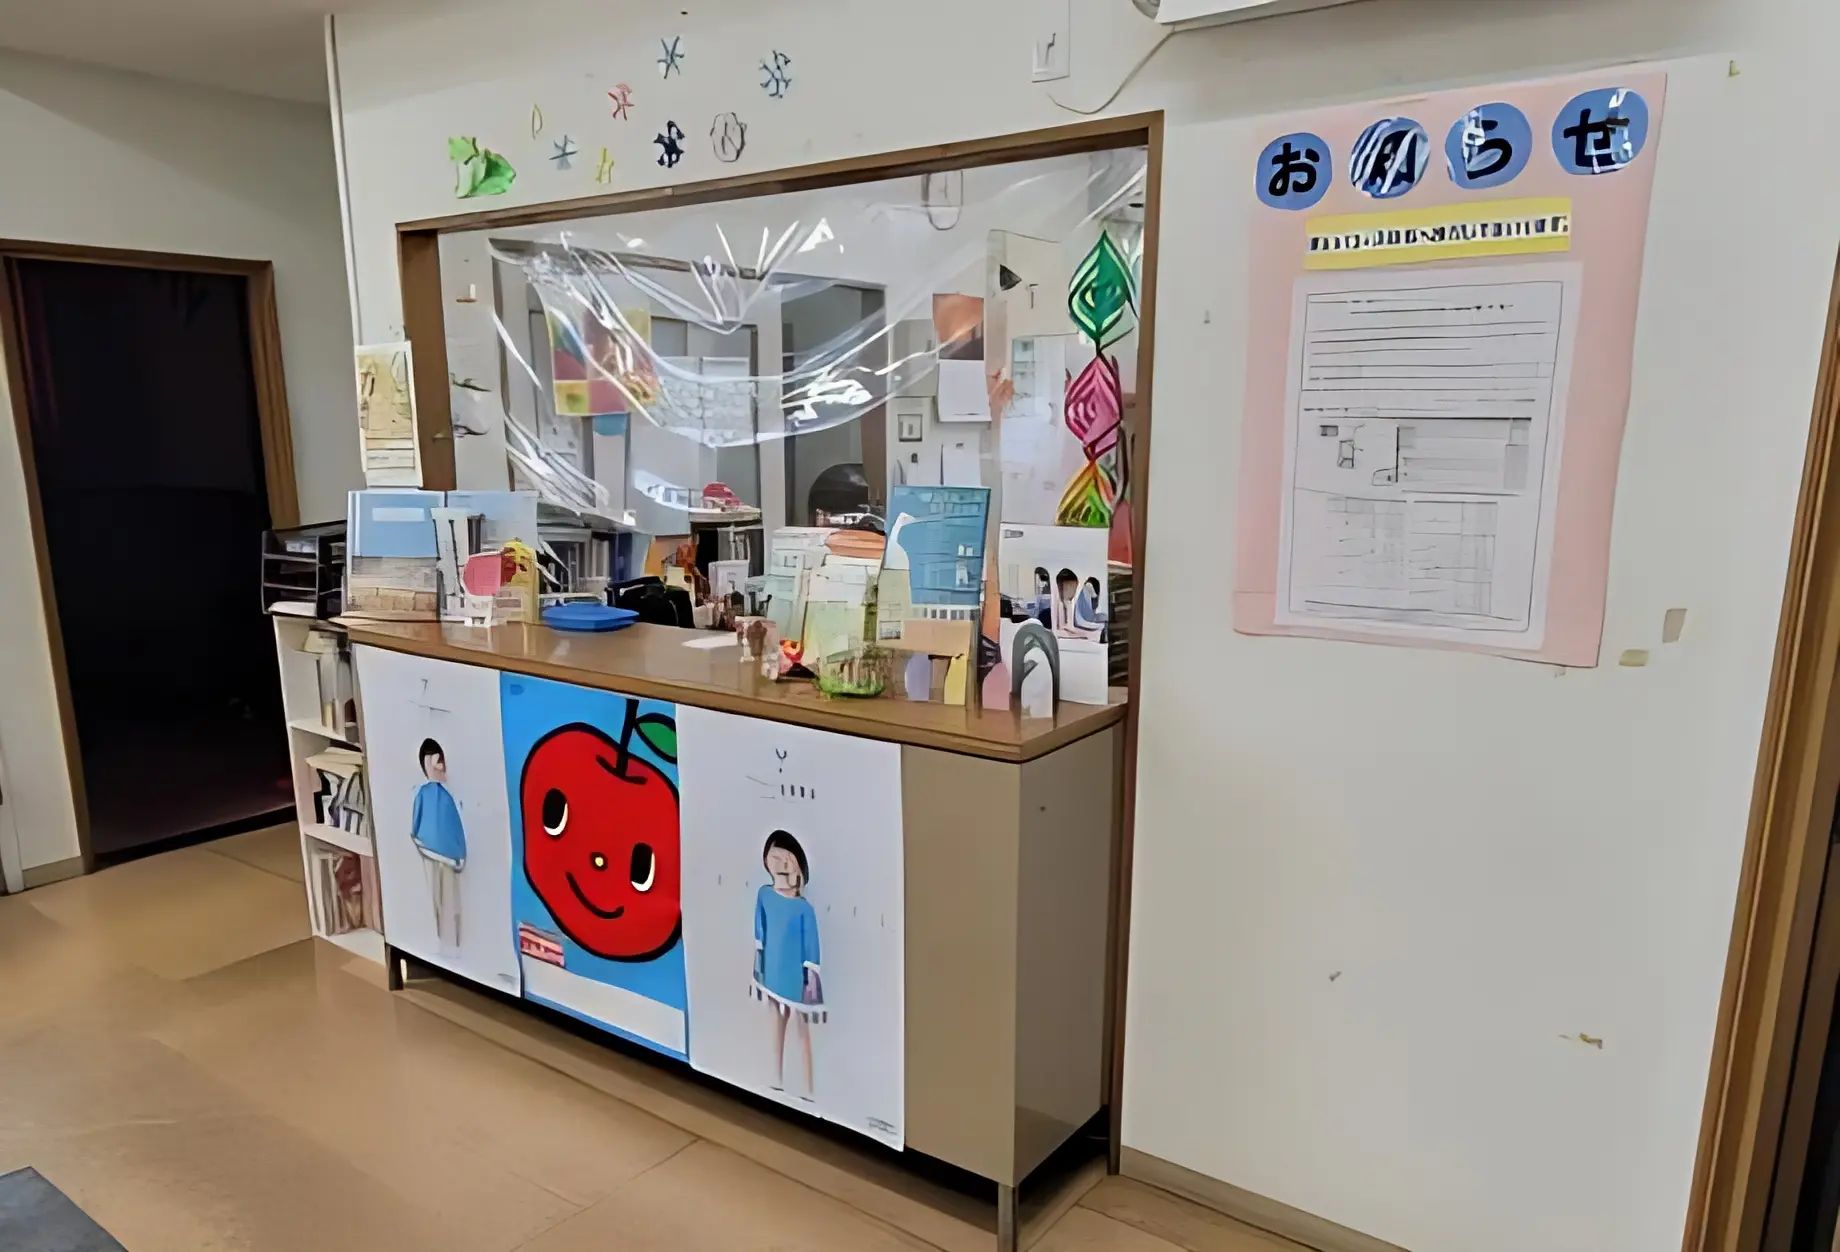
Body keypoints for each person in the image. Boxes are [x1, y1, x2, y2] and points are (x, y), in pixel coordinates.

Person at [753, 830, 824, 1100]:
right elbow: (760, 930)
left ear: (798, 865)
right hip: (772, 971)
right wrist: (758, 968)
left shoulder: (804, 908)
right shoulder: (764, 895)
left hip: (798, 976)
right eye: (776, 857)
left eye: (788, 858)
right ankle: (775, 1078)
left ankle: (808, 1087)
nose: (782, 863)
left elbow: (812, 945)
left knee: (803, 1028)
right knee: (776, 1021)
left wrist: (811, 974)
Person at [410, 738, 466, 951]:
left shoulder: (446, 797)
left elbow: (454, 826)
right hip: (432, 852)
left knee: (449, 897)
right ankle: (442, 938)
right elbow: (417, 820)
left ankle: (452, 940)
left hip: (447, 856)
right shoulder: (426, 794)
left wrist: (460, 854)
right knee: (438, 896)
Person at [1054, 568, 1103, 640]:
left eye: (1074, 586)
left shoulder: (1072, 602)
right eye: (1068, 587)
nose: (1072, 591)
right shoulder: (1057, 601)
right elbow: (1059, 631)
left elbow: (1069, 627)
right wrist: (1087, 635)